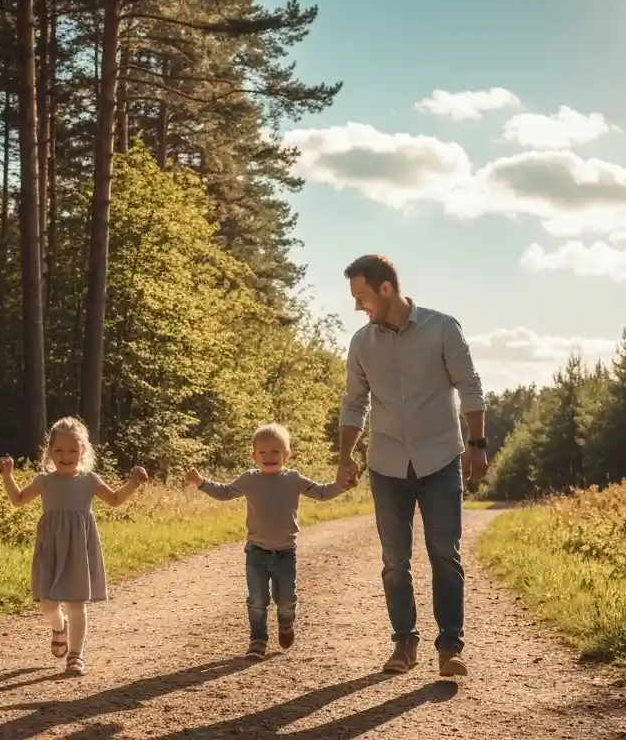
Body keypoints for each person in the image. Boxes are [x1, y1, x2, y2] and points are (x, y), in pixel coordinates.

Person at [335, 254, 488, 679]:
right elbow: (354, 403)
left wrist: (477, 444)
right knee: (394, 560)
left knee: (445, 554)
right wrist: (345, 455)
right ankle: (404, 642)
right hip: (387, 464)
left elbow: (469, 385)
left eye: (362, 296)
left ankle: (450, 647)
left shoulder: (442, 328)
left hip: (440, 459)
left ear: (386, 289)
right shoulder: (361, 343)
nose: (357, 306)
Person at [186, 423, 355, 660]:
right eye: (263, 452)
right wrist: (201, 482)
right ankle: (258, 640)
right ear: (254, 455)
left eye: (276, 451)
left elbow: (321, 492)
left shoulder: (293, 479)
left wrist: (340, 486)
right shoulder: (249, 479)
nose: (269, 456)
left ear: (287, 455)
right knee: (257, 600)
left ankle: (286, 623)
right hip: (257, 552)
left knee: (286, 600)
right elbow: (224, 492)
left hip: (286, 553)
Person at [0, 416, 148, 675]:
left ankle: (76, 655)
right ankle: (59, 628)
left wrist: (133, 483)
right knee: (47, 603)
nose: (65, 456)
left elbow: (114, 499)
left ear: (82, 451)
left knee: (76, 603)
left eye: (71, 450)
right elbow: (18, 499)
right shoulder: (44, 480)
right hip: (51, 548)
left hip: (79, 549)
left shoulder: (89, 480)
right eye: (58, 450)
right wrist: (8, 476)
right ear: (49, 452)